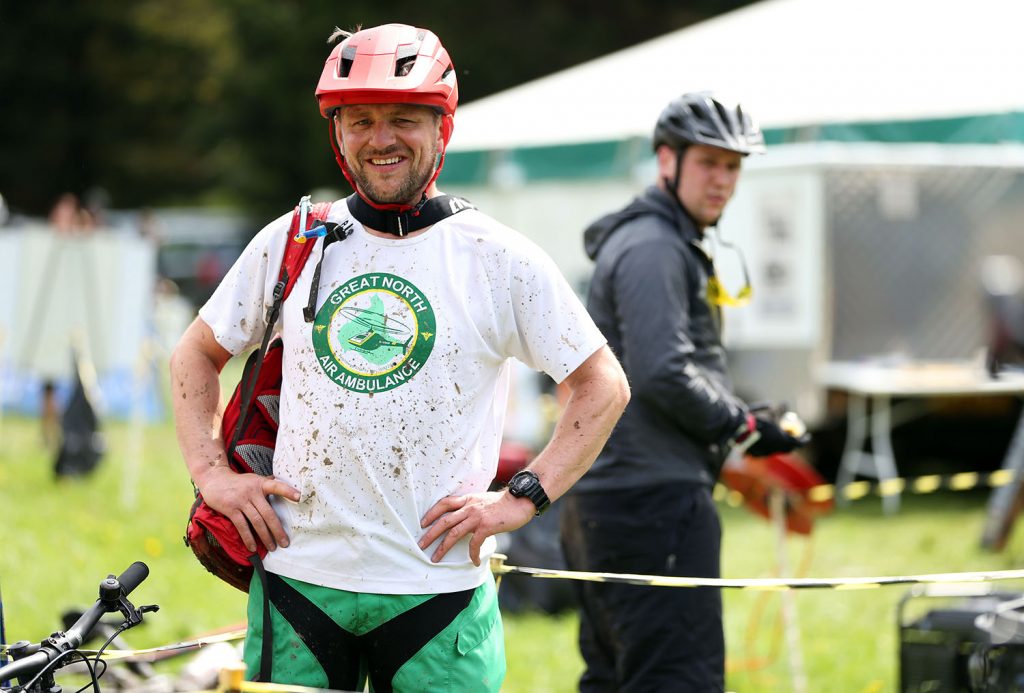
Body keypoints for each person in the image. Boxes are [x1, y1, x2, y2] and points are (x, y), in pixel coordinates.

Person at [169, 23, 629, 693]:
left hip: (437, 590)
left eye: (404, 118)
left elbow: (602, 386)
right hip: (299, 580)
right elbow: (194, 355)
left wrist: (522, 497)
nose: (380, 138)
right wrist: (211, 476)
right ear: (338, 135)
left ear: (442, 128)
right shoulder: (294, 239)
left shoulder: (497, 257)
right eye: (360, 121)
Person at [559, 91, 809, 692]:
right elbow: (663, 370)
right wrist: (744, 427)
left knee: (616, 677)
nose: (722, 180)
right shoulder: (653, 246)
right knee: (677, 678)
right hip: (650, 503)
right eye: (709, 163)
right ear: (666, 160)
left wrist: (738, 414)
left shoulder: (658, 238)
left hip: (616, 498)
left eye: (733, 166)